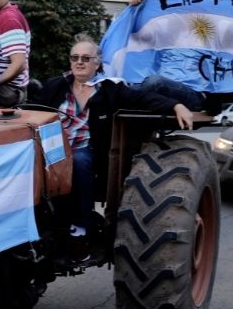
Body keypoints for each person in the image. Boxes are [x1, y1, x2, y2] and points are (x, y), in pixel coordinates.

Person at [30, 34, 193, 263]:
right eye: (75, 57)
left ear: (97, 63)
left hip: (88, 152)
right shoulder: (56, 86)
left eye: (86, 58)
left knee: (78, 161)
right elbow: (31, 107)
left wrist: (175, 105)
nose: (79, 62)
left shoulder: (109, 89)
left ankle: (81, 229)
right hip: (53, 149)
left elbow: (142, 99)